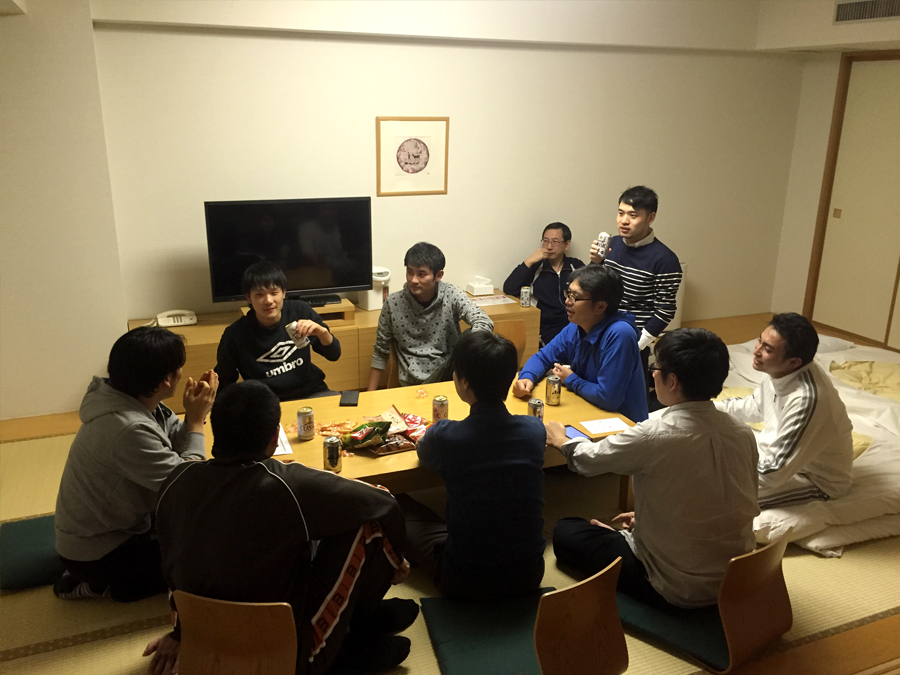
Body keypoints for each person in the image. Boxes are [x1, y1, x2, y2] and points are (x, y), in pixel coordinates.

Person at [146, 380, 415, 675]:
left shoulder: (175, 480)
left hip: (206, 637)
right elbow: (383, 502)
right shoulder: (284, 483)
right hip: (287, 654)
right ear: (275, 437)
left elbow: (173, 570)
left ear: (215, 430)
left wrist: (181, 633)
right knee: (368, 524)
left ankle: (358, 622)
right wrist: (397, 560)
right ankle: (351, 632)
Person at [545, 328, 759, 609]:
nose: (653, 375)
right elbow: (721, 496)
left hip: (676, 584)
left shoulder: (654, 434)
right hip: (737, 575)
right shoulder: (742, 432)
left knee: (566, 531)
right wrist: (648, 518)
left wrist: (561, 440)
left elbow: (588, 460)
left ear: (672, 380)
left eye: (656, 369)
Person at [53, 327, 217, 602]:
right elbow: (189, 484)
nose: (182, 372)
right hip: (99, 550)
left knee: (201, 530)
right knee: (201, 562)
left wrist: (191, 416)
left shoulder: (131, 397)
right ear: (167, 380)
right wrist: (197, 422)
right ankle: (95, 585)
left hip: (123, 524)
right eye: (179, 367)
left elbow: (173, 444)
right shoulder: (126, 428)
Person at [397, 331, 546, 600]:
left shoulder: (446, 435)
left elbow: (425, 455)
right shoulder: (534, 430)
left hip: (463, 580)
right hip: (529, 575)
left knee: (397, 506)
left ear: (463, 381)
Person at [716, 313, 853, 509]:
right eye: (759, 341)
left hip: (815, 480)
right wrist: (703, 409)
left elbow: (773, 473)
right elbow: (755, 407)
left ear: (793, 362)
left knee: (718, 497)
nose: (756, 351)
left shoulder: (807, 399)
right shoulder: (780, 371)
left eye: (767, 349)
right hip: (786, 462)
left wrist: (725, 467)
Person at [512, 265, 648, 423]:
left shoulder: (620, 334)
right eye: (568, 294)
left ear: (600, 306)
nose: (567, 301)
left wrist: (571, 379)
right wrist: (527, 377)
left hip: (623, 423)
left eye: (575, 297)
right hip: (589, 409)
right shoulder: (576, 326)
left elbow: (608, 398)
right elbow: (543, 357)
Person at [589, 186, 682, 392]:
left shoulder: (665, 260)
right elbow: (594, 287)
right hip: (599, 333)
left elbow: (665, 310)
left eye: (633, 215)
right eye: (621, 213)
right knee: (590, 393)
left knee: (625, 401)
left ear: (651, 218)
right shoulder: (613, 245)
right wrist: (595, 263)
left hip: (631, 340)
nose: (624, 221)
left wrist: (637, 344)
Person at [367, 242, 493, 390]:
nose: (413, 280)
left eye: (421, 274)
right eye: (410, 272)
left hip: (448, 377)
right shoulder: (393, 303)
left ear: (438, 275)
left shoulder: (452, 294)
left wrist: (469, 349)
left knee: (472, 337)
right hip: (413, 382)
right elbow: (380, 351)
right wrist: (370, 395)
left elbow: (484, 321)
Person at [215, 261, 341, 401]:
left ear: (283, 293)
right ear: (248, 297)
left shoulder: (300, 311)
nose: (268, 301)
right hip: (266, 401)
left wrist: (322, 333)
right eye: (259, 294)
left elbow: (334, 355)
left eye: (274, 293)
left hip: (311, 392)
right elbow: (224, 381)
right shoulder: (235, 334)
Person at [502, 222, 585, 346]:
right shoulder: (536, 266)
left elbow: (592, 289)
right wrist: (529, 261)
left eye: (555, 242)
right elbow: (509, 289)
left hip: (573, 325)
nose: (549, 247)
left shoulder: (575, 265)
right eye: (545, 241)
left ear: (567, 245)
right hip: (545, 328)